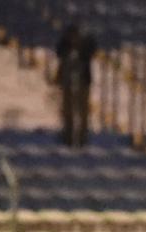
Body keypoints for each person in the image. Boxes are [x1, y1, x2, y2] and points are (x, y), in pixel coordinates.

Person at [56, 20, 97, 148]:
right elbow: (59, 52)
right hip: (67, 81)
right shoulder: (65, 45)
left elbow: (91, 50)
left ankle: (82, 138)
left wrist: (81, 48)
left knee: (83, 110)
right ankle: (67, 136)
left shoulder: (86, 46)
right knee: (67, 109)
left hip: (83, 81)